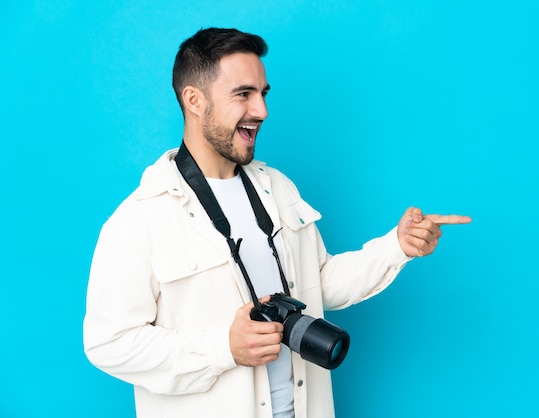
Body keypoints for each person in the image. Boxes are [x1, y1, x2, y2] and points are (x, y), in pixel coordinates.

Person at [83, 27, 471, 418]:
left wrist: (397, 246)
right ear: (194, 100)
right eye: (243, 94)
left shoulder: (278, 189)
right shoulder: (139, 218)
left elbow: (321, 284)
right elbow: (108, 343)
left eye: (263, 94)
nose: (262, 111)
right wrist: (223, 349)